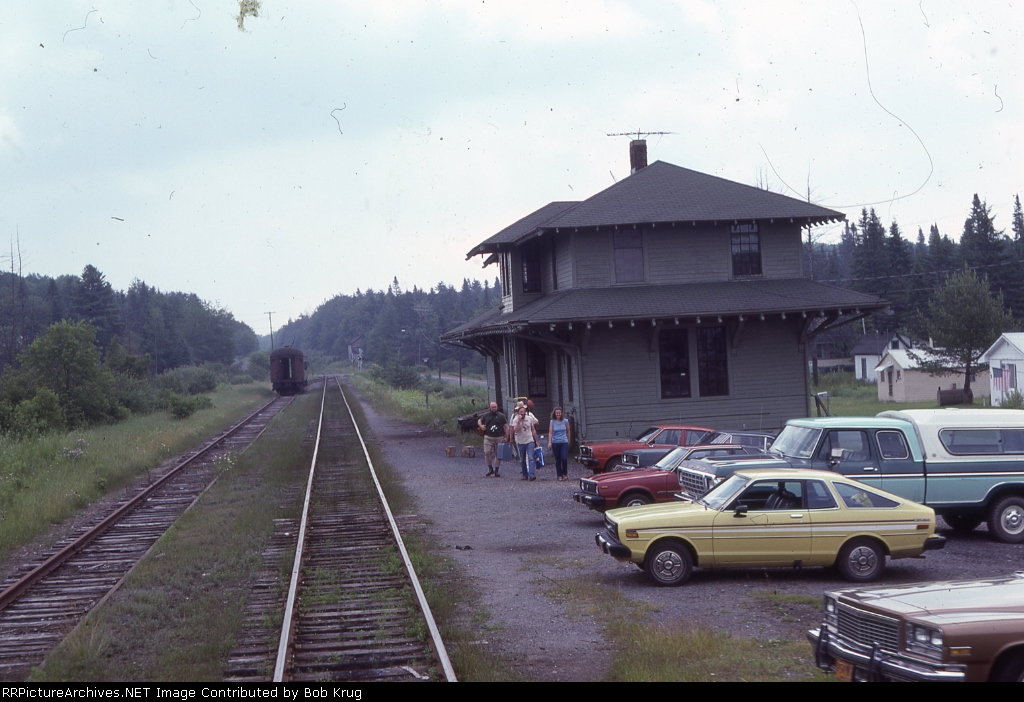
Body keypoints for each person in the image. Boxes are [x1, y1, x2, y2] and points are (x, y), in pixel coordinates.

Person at [478, 401, 508, 478]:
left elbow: (506, 426)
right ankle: (490, 468)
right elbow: (479, 421)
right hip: (488, 437)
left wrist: (507, 436)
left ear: (497, 407)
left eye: (495, 407)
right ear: (490, 408)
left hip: (499, 437)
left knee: (498, 454)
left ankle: (497, 470)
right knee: (487, 453)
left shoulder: (501, 416)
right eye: (492, 407)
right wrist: (481, 426)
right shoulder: (486, 415)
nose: (494, 408)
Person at [510, 402, 540, 481]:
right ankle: (524, 474)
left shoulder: (529, 418)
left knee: (530, 458)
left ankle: (531, 474)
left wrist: (536, 440)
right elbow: (515, 430)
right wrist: (519, 422)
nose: (522, 414)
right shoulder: (515, 419)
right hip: (520, 441)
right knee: (522, 459)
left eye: (523, 412)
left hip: (529, 440)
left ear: (525, 412)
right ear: (518, 412)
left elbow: (533, 429)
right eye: (520, 412)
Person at [548, 407, 572, 481]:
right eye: (557, 413)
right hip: (555, 442)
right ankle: (559, 475)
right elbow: (550, 432)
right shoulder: (552, 422)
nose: (558, 414)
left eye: (559, 413)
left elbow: (568, 431)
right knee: (557, 460)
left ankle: (565, 473)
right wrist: (549, 442)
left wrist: (569, 440)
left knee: (564, 458)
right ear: (554, 414)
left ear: (561, 413)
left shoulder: (565, 421)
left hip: (564, 442)